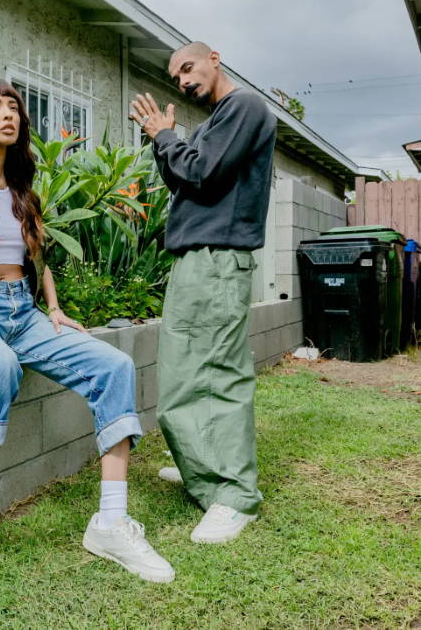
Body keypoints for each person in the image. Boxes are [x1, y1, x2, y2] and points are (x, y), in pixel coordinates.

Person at [0, 78, 174, 583]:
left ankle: (111, 522)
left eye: (14, 108)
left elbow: (35, 257)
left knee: (115, 365)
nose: (8, 114)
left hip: (23, 313)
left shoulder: (23, 187)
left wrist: (54, 307)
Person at [129, 42, 276, 544]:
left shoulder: (245, 107)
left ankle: (234, 495)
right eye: (176, 78)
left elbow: (203, 174)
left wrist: (167, 134)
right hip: (196, 261)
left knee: (217, 373)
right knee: (185, 371)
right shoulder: (216, 121)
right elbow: (183, 179)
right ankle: (203, 469)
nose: (183, 81)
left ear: (215, 57)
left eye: (187, 68)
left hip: (216, 259)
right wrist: (161, 140)